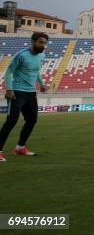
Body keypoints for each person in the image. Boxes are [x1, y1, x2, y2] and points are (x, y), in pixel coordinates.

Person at [0, 32, 49, 162]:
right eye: (41, 42)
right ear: (33, 41)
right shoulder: (21, 55)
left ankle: (20, 147)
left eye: (45, 43)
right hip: (17, 91)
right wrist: (9, 89)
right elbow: (9, 72)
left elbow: (36, 71)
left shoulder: (42, 56)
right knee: (12, 120)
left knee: (32, 119)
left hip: (31, 93)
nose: (43, 45)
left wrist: (42, 84)